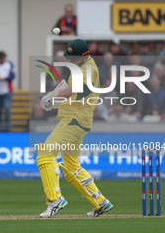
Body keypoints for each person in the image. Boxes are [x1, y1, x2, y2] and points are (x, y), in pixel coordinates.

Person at [37, 39, 113, 218]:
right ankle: (100, 202)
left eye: (73, 57)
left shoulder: (88, 68)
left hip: (74, 120)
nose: (69, 60)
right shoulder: (83, 66)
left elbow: (74, 89)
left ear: (84, 55)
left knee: (44, 155)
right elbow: (76, 94)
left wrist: (52, 96)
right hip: (78, 120)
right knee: (71, 165)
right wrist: (54, 100)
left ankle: (54, 200)